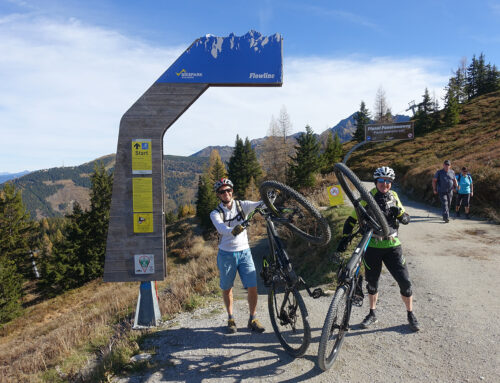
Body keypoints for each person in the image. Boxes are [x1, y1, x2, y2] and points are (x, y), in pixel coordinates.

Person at [337, 166, 420, 332]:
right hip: (373, 246)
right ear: (376, 182)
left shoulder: (394, 196)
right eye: (381, 181)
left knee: (405, 283)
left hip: (392, 246)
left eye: (388, 181)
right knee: (372, 283)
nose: (385, 184)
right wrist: (345, 239)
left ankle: (410, 314)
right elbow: (351, 220)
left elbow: (406, 219)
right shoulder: (367, 197)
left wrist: (400, 215)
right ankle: (372, 313)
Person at [210, 178, 265, 334]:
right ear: (218, 195)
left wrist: (270, 197)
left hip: (245, 252)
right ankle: (231, 318)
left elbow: (260, 205)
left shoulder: (242, 205)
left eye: (228, 190)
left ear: (232, 191)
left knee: (253, 287)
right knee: (227, 288)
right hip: (226, 254)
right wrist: (233, 230)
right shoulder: (215, 213)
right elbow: (221, 228)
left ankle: (253, 318)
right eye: (222, 192)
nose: (226, 193)